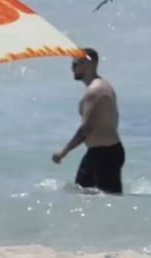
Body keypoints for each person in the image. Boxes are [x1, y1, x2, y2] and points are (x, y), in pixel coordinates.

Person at [52, 48, 125, 194]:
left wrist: (63, 151)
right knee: (81, 193)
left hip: (106, 155)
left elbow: (86, 128)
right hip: (97, 152)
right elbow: (115, 117)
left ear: (89, 63)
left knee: (111, 201)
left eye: (75, 63)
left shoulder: (96, 90)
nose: (72, 68)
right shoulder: (101, 86)